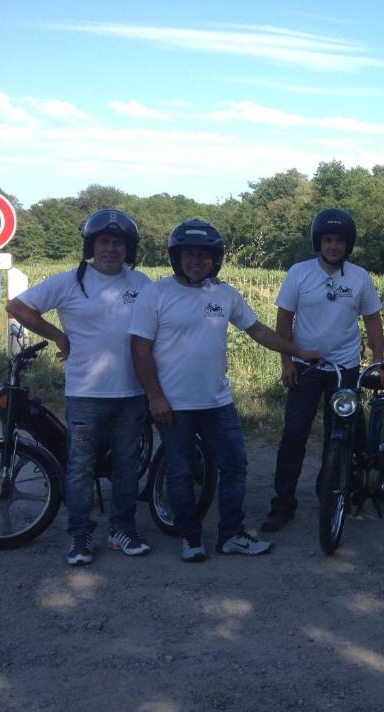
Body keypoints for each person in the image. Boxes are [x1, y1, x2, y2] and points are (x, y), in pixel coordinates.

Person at [129, 219, 321, 562]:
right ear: (177, 257)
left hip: (217, 402)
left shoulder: (224, 294)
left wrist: (297, 352)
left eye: (203, 255)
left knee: (235, 465)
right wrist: (154, 396)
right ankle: (190, 537)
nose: (195, 261)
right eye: (188, 254)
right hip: (174, 403)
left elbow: (257, 330)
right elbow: (139, 349)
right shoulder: (155, 294)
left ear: (214, 260)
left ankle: (231, 534)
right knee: (181, 471)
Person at [7, 209, 153, 566]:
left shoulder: (142, 283)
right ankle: (79, 535)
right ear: (91, 245)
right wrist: (58, 336)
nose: (111, 249)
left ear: (128, 249)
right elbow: (18, 306)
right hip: (86, 393)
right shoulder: (69, 281)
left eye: (118, 243)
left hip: (132, 391)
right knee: (80, 467)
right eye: (104, 241)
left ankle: (122, 530)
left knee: (126, 465)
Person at [260, 208, 384, 532]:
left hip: (345, 368)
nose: (333, 246)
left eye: (339, 241)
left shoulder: (359, 277)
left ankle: (330, 488)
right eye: (328, 240)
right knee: (294, 434)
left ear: (348, 245)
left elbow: (372, 319)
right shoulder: (299, 273)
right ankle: (283, 503)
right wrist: (286, 361)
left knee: (342, 433)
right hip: (306, 366)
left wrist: (379, 361)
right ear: (319, 242)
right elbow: (284, 319)